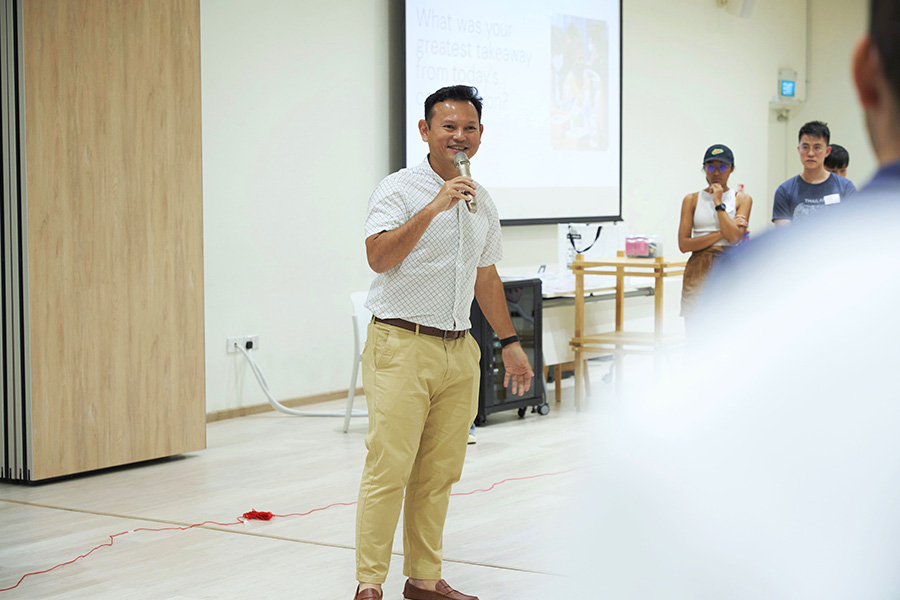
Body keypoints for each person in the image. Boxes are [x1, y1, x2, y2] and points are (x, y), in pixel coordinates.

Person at [567, 1, 900, 597]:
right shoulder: (749, 219)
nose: (716, 169)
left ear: (864, 73)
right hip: (702, 278)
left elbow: (732, 236)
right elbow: (688, 241)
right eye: (710, 164)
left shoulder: (769, 279)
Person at [354, 85, 534, 600]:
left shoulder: (483, 200)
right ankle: (369, 583)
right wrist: (434, 206)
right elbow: (379, 258)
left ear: (480, 135)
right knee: (389, 466)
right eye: (448, 127)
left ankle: (424, 579)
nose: (459, 137)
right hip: (401, 343)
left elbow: (487, 277)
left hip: (460, 350)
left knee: (439, 472)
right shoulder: (398, 189)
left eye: (469, 128)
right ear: (425, 131)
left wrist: (509, 341)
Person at [677, 144, 751, 334]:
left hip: (728, 266)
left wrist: (718, 203)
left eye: (722, 167)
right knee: (695, 332)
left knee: (727, 331)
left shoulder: (741, 199)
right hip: (698, 267)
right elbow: (684, 244)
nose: (716, 173)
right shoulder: (691, 199)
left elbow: (734, 239)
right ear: (704, 169)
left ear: (731, 169)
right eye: (710, 167)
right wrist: (723, 232)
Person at [772, 120, 856, 226]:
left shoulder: (845, 187)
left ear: (827, 151)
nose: (811, 153)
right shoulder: (785, 191)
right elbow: (783, 235)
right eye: (805, 147)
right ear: (799, 150)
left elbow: (852, 228)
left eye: (817, 148)